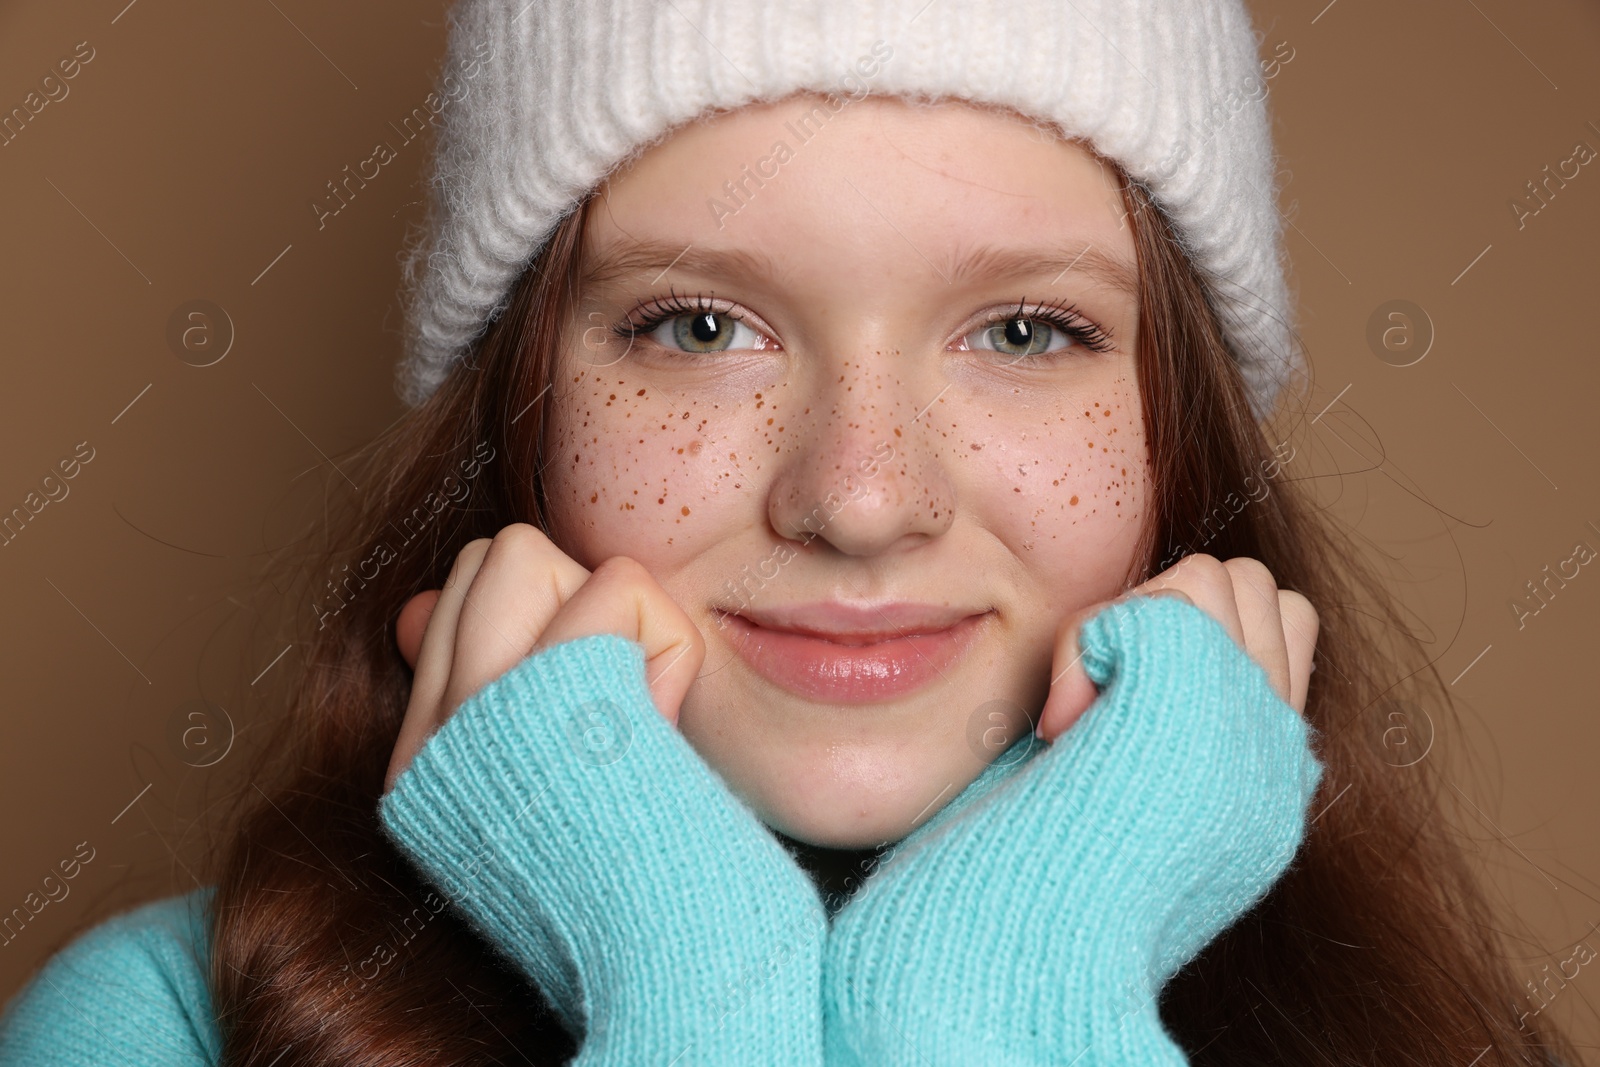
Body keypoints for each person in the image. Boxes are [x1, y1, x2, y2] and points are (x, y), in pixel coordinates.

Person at [0, 0, 1581, 1064]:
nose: (860, 498)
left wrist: (994, 994)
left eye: (1025, 333)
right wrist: (693, 975)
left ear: (1183, 437)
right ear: (519, 418)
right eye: (698, 326)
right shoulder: (173, 1026)